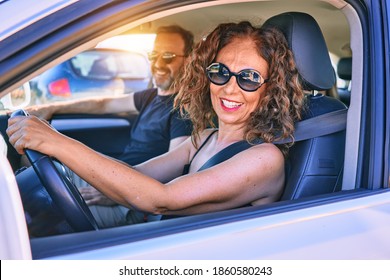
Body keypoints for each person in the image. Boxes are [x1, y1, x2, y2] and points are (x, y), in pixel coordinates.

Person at [7, 21, 305, 220]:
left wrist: (57, 143)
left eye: (249, 78)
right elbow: (136, 173)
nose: (229, 87)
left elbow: (161, 199)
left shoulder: (264, 159)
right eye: (220, 72)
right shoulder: (205, 138)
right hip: (155, 233)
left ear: (270, 88)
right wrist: (94, 185)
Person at [23, 25, 194, 227]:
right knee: (34, 181)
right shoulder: (150, 96)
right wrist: (51, 108)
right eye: (153, 54)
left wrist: (115, 193)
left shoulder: (183, 110)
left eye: (168, 56)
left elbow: (175, 170)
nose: (157, 63)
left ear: (189, 60)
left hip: (131, 201)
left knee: (44, 211)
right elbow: (102, 104)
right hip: (117, 178)